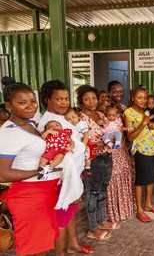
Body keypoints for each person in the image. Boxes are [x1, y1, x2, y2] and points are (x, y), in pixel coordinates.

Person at [0, 82, 59, 256]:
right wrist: (41, 170)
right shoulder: (9, 133)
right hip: (29, 196)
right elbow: (3, 174)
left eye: (33, 101)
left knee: (42, 244)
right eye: (22, 102)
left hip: (44, 193)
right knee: (33, 246)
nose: (30, 106)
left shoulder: (30, 124)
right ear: (9, 105)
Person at [39, 80, 93, 255]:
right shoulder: (50, 124)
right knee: (61, 219)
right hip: (63, 178)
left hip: (74, 175)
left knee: (71, 212)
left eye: (66, 98)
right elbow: (59, 154)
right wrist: (71, 184)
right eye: (59, 99)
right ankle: (60, 252)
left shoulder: (63, 117)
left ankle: (73, 244)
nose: (64, 102)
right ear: (47, 99)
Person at [76, 84, 120, 240]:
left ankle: (102, 220)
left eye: (93, 98)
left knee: (102, 189)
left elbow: (113, 132)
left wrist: (111, 139)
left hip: (107, 156)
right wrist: (99, 143)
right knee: (92, 193)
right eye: (87, 99)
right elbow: (79, 142)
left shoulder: (102, 115)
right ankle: (92, 228)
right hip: (92, 160)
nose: (91, 101)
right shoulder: (79, 118)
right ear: (81, 101)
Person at [125, 86, 154, 223]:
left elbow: (152, 127)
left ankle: (148, 204)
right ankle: (139, 209)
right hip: (140, 149)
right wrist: (143, 124)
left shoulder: (146, 111)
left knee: (151, 177)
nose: (143, 100)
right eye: (139, 97)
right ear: (132, 98)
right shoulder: (129, 113)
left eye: (145, 97)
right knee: (140, 180)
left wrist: (153, 125)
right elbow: (129, 137)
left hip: (152, 147)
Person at [102, 81, 135, 223]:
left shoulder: (123, 107)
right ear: (109, 92)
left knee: (125, 171)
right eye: (115, 91)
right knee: (113, 176)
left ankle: (125, 208)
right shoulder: (104, 107)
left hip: (121, 146)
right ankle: (114, 212)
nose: (118, 94)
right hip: (110, 147)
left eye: (121, 91)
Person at [64, 108, 92, 174]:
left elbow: (86, 133)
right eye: (68, 120)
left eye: (73, 117)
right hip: (82, 141)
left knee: (87, 154)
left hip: (85, 140)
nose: (72, 120)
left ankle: (88, 167)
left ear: (77, 115)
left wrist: (84, 143)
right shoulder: (75, 124)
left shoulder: (81, 123)